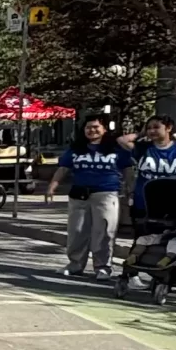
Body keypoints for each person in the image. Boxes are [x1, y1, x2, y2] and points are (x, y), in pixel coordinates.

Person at [53, 116, 125, 277]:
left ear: (104, 129)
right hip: (79, 195)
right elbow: (63, 168)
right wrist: (53, 186)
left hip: (106, 194)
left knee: (104, 232)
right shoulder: (76, 148)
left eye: (96, 127)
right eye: (88, 127)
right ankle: (75, 264)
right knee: (77, 231)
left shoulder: (115, 148)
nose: (92, 130)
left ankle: (103, 267)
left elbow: (127, 168)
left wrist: (130, 189)